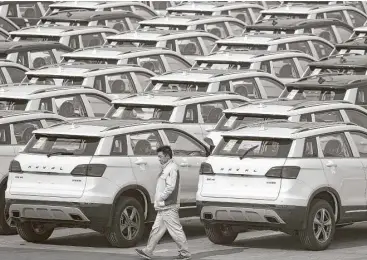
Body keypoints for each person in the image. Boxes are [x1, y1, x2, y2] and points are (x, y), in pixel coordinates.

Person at [135, 145, 191, 260]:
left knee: (175, 230)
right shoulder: (168, 168)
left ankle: (185, 253)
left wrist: (161, 198)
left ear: (166, 156)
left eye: (160, 156)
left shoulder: (172, 169)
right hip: (164, 206)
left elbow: (171, 187)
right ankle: (148, 251)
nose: (159, 159)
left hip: (168, 206)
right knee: (156, 229)